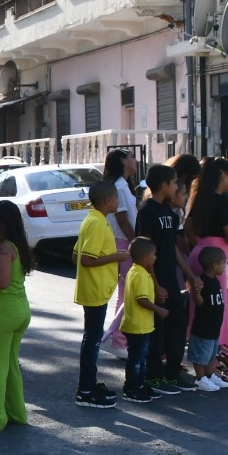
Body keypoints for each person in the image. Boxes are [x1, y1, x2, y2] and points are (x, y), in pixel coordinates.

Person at [137, 164, 197, 392]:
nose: (176, 187)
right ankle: (153, 376)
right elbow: (144, 250)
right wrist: (155, 283)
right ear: (164, 185)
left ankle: (173, 372)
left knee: (178, 323)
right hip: (155, 280)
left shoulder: (169, 214)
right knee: (157, 329)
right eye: (173, 183)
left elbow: (172, 249)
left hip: (171, 280)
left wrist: (189, 274)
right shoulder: (148, 211)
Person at [0, 199, 33, 431]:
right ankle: (17, 413)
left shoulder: (2, 249)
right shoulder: (16, 246)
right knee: (10, 363)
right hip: (20, 310)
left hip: (2, 312)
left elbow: (1, 282)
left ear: (4, 223)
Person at [74, 179, 124, 409]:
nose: (118, 201)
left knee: (92, 337)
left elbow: (77, 255)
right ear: (107, 200)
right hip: (94, 290)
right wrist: (116, 257)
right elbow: (85, 259)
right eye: (116, 197)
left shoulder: (96, 219)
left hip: (98, 289)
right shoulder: (95, 222)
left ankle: (89, 383)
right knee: (92, 340)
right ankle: (85, 389)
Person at [186, 157, 228, 362]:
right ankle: (214, 358)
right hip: (218, 256)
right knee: (220, 306)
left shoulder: (200, 198)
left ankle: (213, 357)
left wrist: (197, 244)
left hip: (199, 252)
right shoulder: (220, 200)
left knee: (202, 307)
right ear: (222, 175)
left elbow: (189, 226)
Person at [119, 238, 168, 404]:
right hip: (136, 326)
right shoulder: (138, 274)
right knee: (136, 360)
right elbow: (142, 300)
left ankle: (140, 384)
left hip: (143, 326)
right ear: (145, 257)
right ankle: (131, 388)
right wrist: (159, 310)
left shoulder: (140, 272)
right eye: (154, 255)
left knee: (141, 358)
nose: (156, 258)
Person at [102, 149, 140, 354]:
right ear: (122, 161)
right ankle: (117, 339)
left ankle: (118, 338)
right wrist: (136, 243)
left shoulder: (124, 186)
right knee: (127, 293)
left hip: (124, 241)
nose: (135, 161)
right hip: (123, 242)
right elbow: (122, 219)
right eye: (132, 157)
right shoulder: (118, 186)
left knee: (125, 293)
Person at [187, 247, 228, 392]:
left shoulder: (215, 280)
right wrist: (196, 291)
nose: (225, 266)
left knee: (211, 355)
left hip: (213, 326)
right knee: (201, 355)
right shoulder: (203, 281)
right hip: (203, 326)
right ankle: (200, 378)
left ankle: (210, 375)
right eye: (223, 263)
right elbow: (199, 302)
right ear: (214, 266)